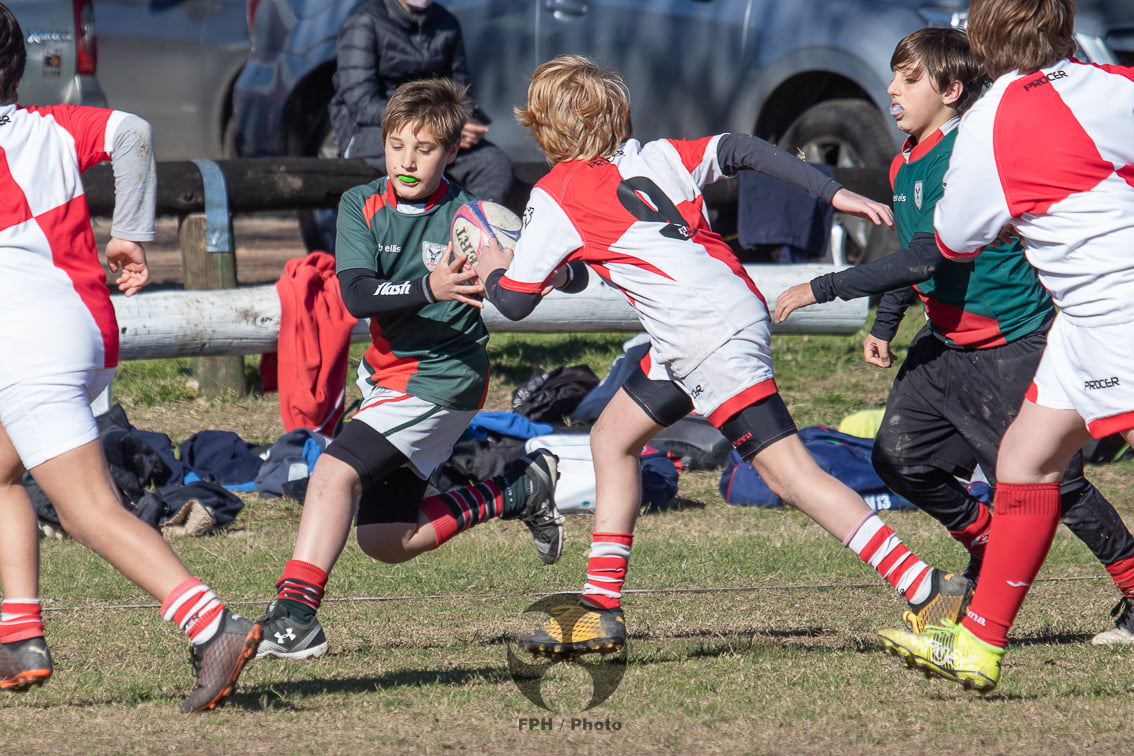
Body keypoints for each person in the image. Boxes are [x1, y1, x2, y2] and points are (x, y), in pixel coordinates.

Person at [474, 54, 974, 660]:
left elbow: (513, 303)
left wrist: (491, 261)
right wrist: (832, 191)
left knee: (789, 475)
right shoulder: (651, 156)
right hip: (719, 313)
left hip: (701, 333)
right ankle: (600, 607)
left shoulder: (556, 192)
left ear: (544, 125)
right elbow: (739, 148)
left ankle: (928, 590)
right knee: (612, 436)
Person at [773, 27, 1134, 644]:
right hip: (943, 345)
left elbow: (928, 259)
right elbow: (912, 245)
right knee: (900, 458)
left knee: (1055, 483)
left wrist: (824, 287)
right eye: (894, 75)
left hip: (1008, 343)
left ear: (951, 90)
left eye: (908, 79)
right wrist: (885, 323)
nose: (891, 89)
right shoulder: (905, 159)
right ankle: (992, 543)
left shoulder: (973, 150)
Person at [0, 4, 260, 711]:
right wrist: (131, 234)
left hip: (25, 345)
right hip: (77, 328)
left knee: (88, 511)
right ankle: (18, 633)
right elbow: (133, 133)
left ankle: (212, 625)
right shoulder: (50, 126)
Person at [871, 0, 1134, 692]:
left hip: (1117, 311)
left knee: (1032, 464)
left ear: (979, 38)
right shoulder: (1110, 85)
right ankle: (979, 644)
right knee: (1024, 459)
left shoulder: (989, 122)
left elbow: (955, 239)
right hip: (1080, 323)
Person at [256, 78, 564, 660]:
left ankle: (295, 619)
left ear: (452, 153)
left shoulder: (472, 219)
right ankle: (518, 489)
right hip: (386, 376)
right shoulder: (362, 204)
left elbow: (537, 273)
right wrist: (431, 285)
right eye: (397, 145)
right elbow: (356, 295)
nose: (408, 160)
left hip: (443, 377)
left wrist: (535, 269)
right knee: (387, 539)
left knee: (332, 474)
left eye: (424, 149)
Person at [315, 0, 514, 253]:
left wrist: (459, 122)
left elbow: (459, 91)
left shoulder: (447, 23)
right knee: (410, 161)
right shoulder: (364, 20)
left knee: (493, 162)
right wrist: (425, 125)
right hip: (373, 129)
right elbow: (361, 101)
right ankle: (411, 251)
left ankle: (471, 244)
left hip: (434, 129)